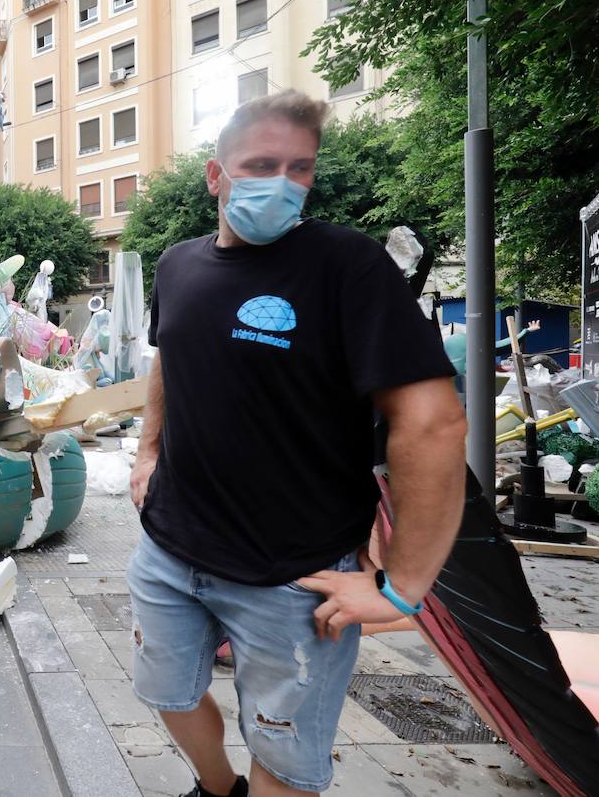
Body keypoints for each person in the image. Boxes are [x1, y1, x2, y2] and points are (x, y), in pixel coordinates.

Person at [126, 91, 467, 797]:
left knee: (283, 756)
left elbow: (434, 423)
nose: (282, 182)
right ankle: (218, 790)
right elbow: (168, 357)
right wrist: (147, 452)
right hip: (169, 548)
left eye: (299, 167)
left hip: (295, 575)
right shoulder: (177, 266)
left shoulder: (350, 266)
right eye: (260, 164)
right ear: (216, 176)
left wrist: (403, 589)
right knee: (166, 695)